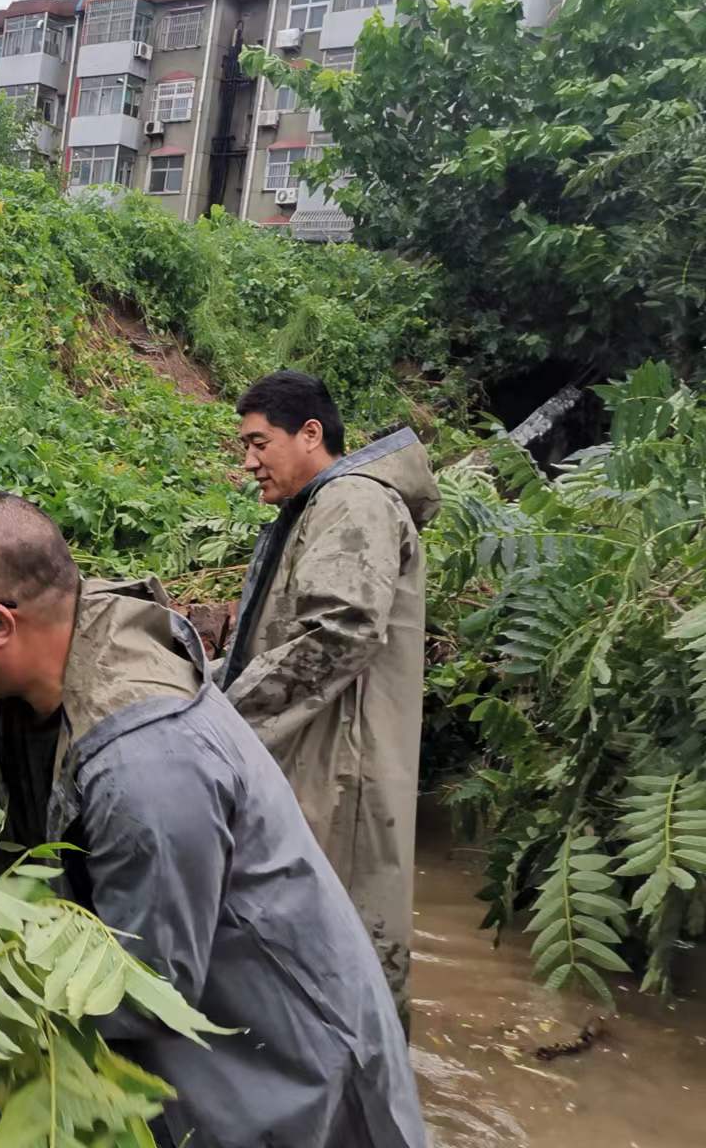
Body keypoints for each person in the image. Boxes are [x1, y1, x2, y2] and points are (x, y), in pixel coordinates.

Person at [0, 492, 427, 1148]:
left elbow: (141, 984)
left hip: (290, 1055)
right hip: (202, 1034)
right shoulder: (24, 664)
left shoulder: (147, 764)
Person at [221, 370, 441, 1019]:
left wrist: (217, 719)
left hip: (341, 774)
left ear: (310, 433)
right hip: (330, 763)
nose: (248, 461)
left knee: (335, 968)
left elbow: (341, 629)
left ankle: (363, 1108)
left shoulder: (352, 501)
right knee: (323, 965)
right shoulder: (330, 504)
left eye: (259, 442)